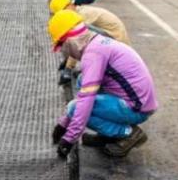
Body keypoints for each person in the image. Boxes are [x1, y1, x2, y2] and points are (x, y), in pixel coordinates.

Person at [48, 10, 158, 158]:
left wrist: (68, 138)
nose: (63, 51)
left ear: (69, 40)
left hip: (135, 108)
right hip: (137, 101)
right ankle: (108, 134)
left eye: (61, 45)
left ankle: (129, 134)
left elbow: (85, 101)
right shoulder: (98, 43)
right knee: (82, 80)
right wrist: (64, 123)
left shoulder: (94, 54)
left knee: (76, 108)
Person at [50, 0, 130, 86]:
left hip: (116, 42)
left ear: (70, 5)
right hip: (113, 40)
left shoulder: (82, 15)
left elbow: (77, 42)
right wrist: (66, 59)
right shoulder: (80, 11)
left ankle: (98, 69)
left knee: (81, 37)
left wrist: (68, 68)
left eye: (63, 11)